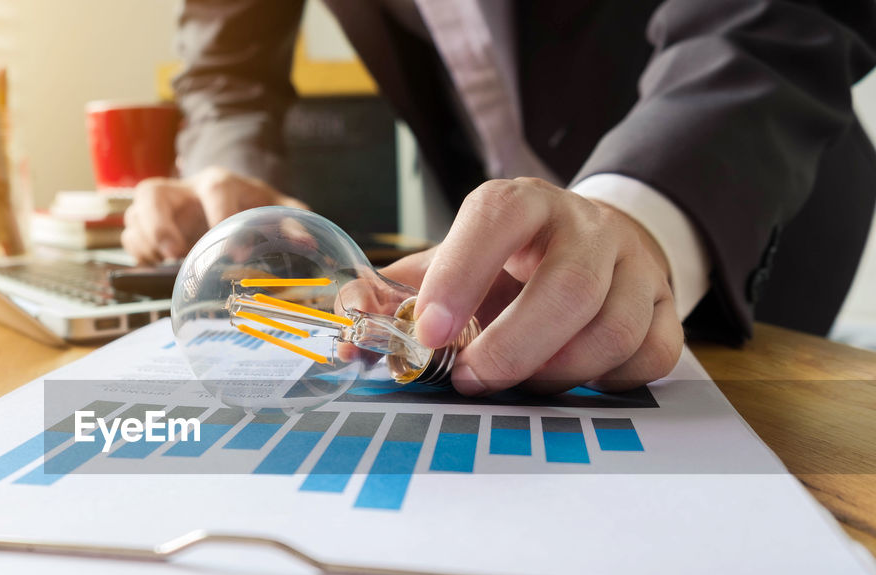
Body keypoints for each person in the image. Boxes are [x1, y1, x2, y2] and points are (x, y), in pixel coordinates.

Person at [121, 1, 876, 394]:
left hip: (734, 196)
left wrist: (637, 211)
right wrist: (227, 171)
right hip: (485, 245)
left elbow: (778, 12)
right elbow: (227, 67)